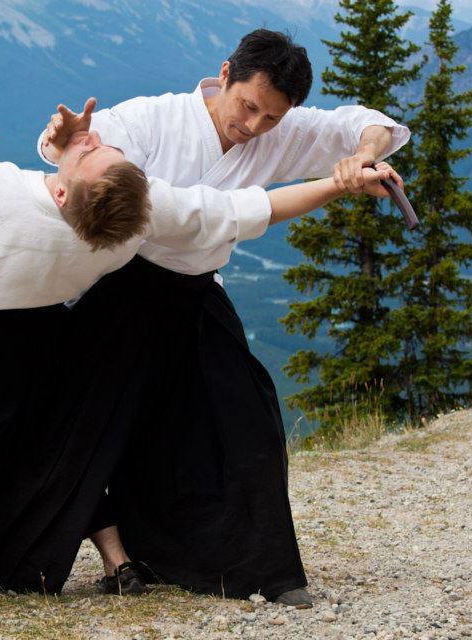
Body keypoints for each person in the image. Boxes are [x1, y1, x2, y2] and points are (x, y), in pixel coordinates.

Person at [0, 114, 395, 616]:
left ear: (61, 191)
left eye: (90, 152)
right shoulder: (136, 222)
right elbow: (248, 210)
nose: (93, 140)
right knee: (24, 443)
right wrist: (340, 183)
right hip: (37, 344)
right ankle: (113, 557)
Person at [38, 28, 410, 606]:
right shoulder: (154, 118)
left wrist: (361, 156)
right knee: (95, 426)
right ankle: (110, 559)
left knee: (250, 412)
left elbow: (373, 123)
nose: (255, 125)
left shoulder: (279, 131)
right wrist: (58, 141)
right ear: (226, 73)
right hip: (118, 287)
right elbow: (80, 148)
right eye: (248, 106)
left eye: (272, 116)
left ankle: (265, 572)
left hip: (195, 292)